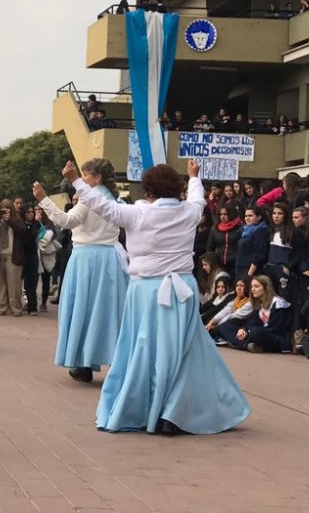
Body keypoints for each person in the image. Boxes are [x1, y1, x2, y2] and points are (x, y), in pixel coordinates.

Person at [60, 159, 250, 435]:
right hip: (182, 290)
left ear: (147, 191)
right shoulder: (190, 212)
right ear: (177, 188)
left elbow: (102, 205)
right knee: (183, 352)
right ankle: (173, 412)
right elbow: (197, 197)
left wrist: (77, 180)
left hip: (146, 290)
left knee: (144, 350)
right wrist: (193, 176)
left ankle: (147, 408)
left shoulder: (137, 214)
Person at [33, 158, 127, 384]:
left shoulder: (89, 200)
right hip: (111, 258)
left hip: (87, 258)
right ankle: (117, 361)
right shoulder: (115, 199)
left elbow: (65, 221)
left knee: (83, 309)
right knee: (109, 310)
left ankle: (83, 363)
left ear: (97, 178)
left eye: (86, 176)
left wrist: (43, 199)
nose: (83, 180)